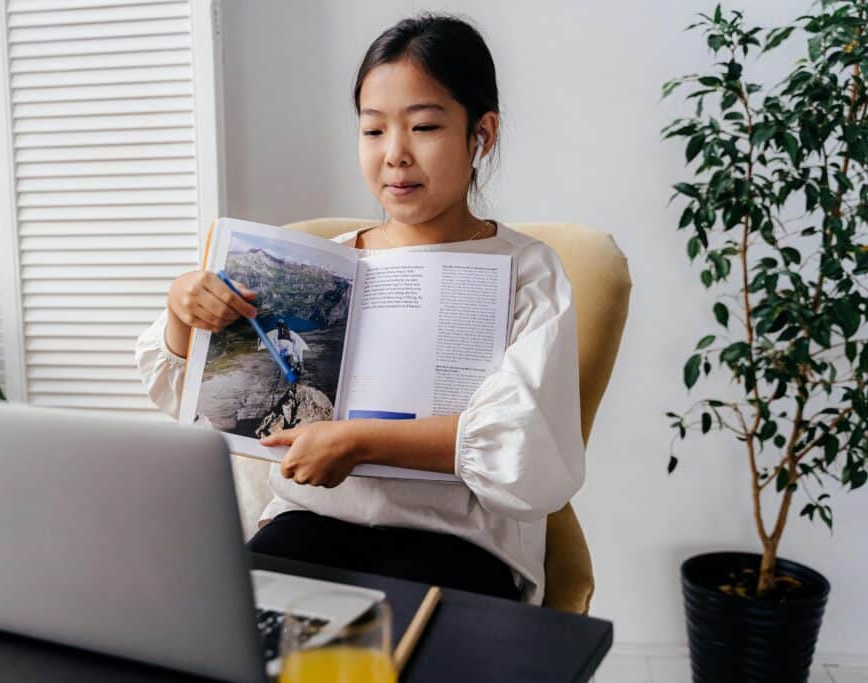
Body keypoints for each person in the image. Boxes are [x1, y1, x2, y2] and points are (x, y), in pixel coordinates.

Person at [135, 13, 584, 604]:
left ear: (483, 133)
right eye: (373, 132)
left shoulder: (528, 271)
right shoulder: (323, 265)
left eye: (424, 126)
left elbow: (527, 438)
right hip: (309, 525)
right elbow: (190, 402)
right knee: (218, 634)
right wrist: (182, 313)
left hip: (457, 544)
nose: (395, 155)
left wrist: (358, 441)